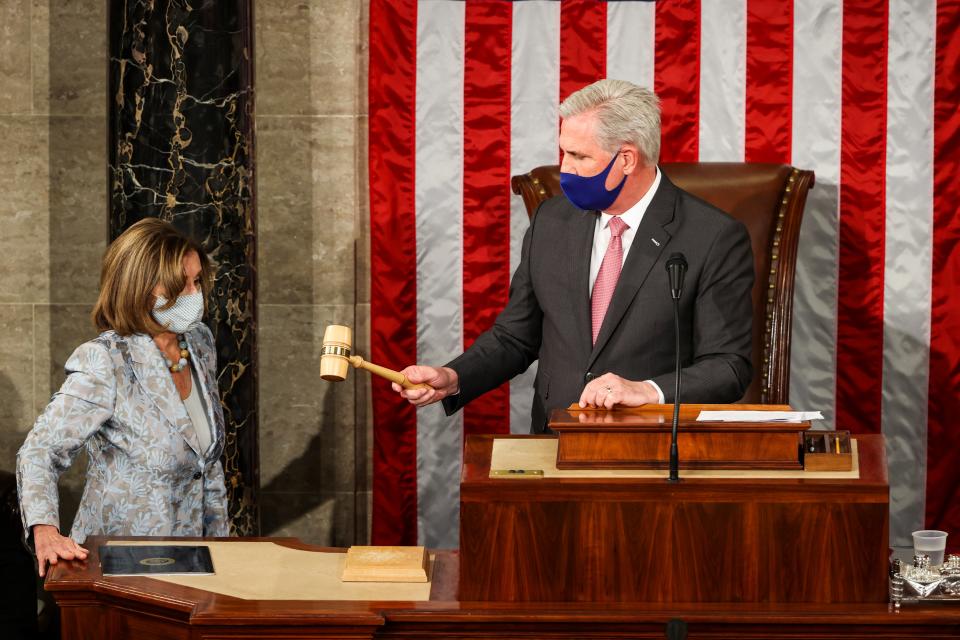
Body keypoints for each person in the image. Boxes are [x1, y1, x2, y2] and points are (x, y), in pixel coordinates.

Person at [393, 79, 754, 433]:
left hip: (651, 450)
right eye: (565, 151)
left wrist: (646, 391)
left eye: (579, 156)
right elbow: (516, 336)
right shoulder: (552, 220)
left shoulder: (713, 236)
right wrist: (454, 377)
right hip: (555, 442)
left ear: (626, 159)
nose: (565, 168)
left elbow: (728, 366)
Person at [16, 218, 229, 577]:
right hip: (119, 569)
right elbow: (40, 450)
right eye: (180, 285)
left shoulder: (200, 343)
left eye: (196, 282)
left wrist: (223, 551)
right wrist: (45, 532)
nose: (194, 296)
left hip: (198, 563)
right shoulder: (106, 360)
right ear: (140, 287)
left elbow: (204, 465)